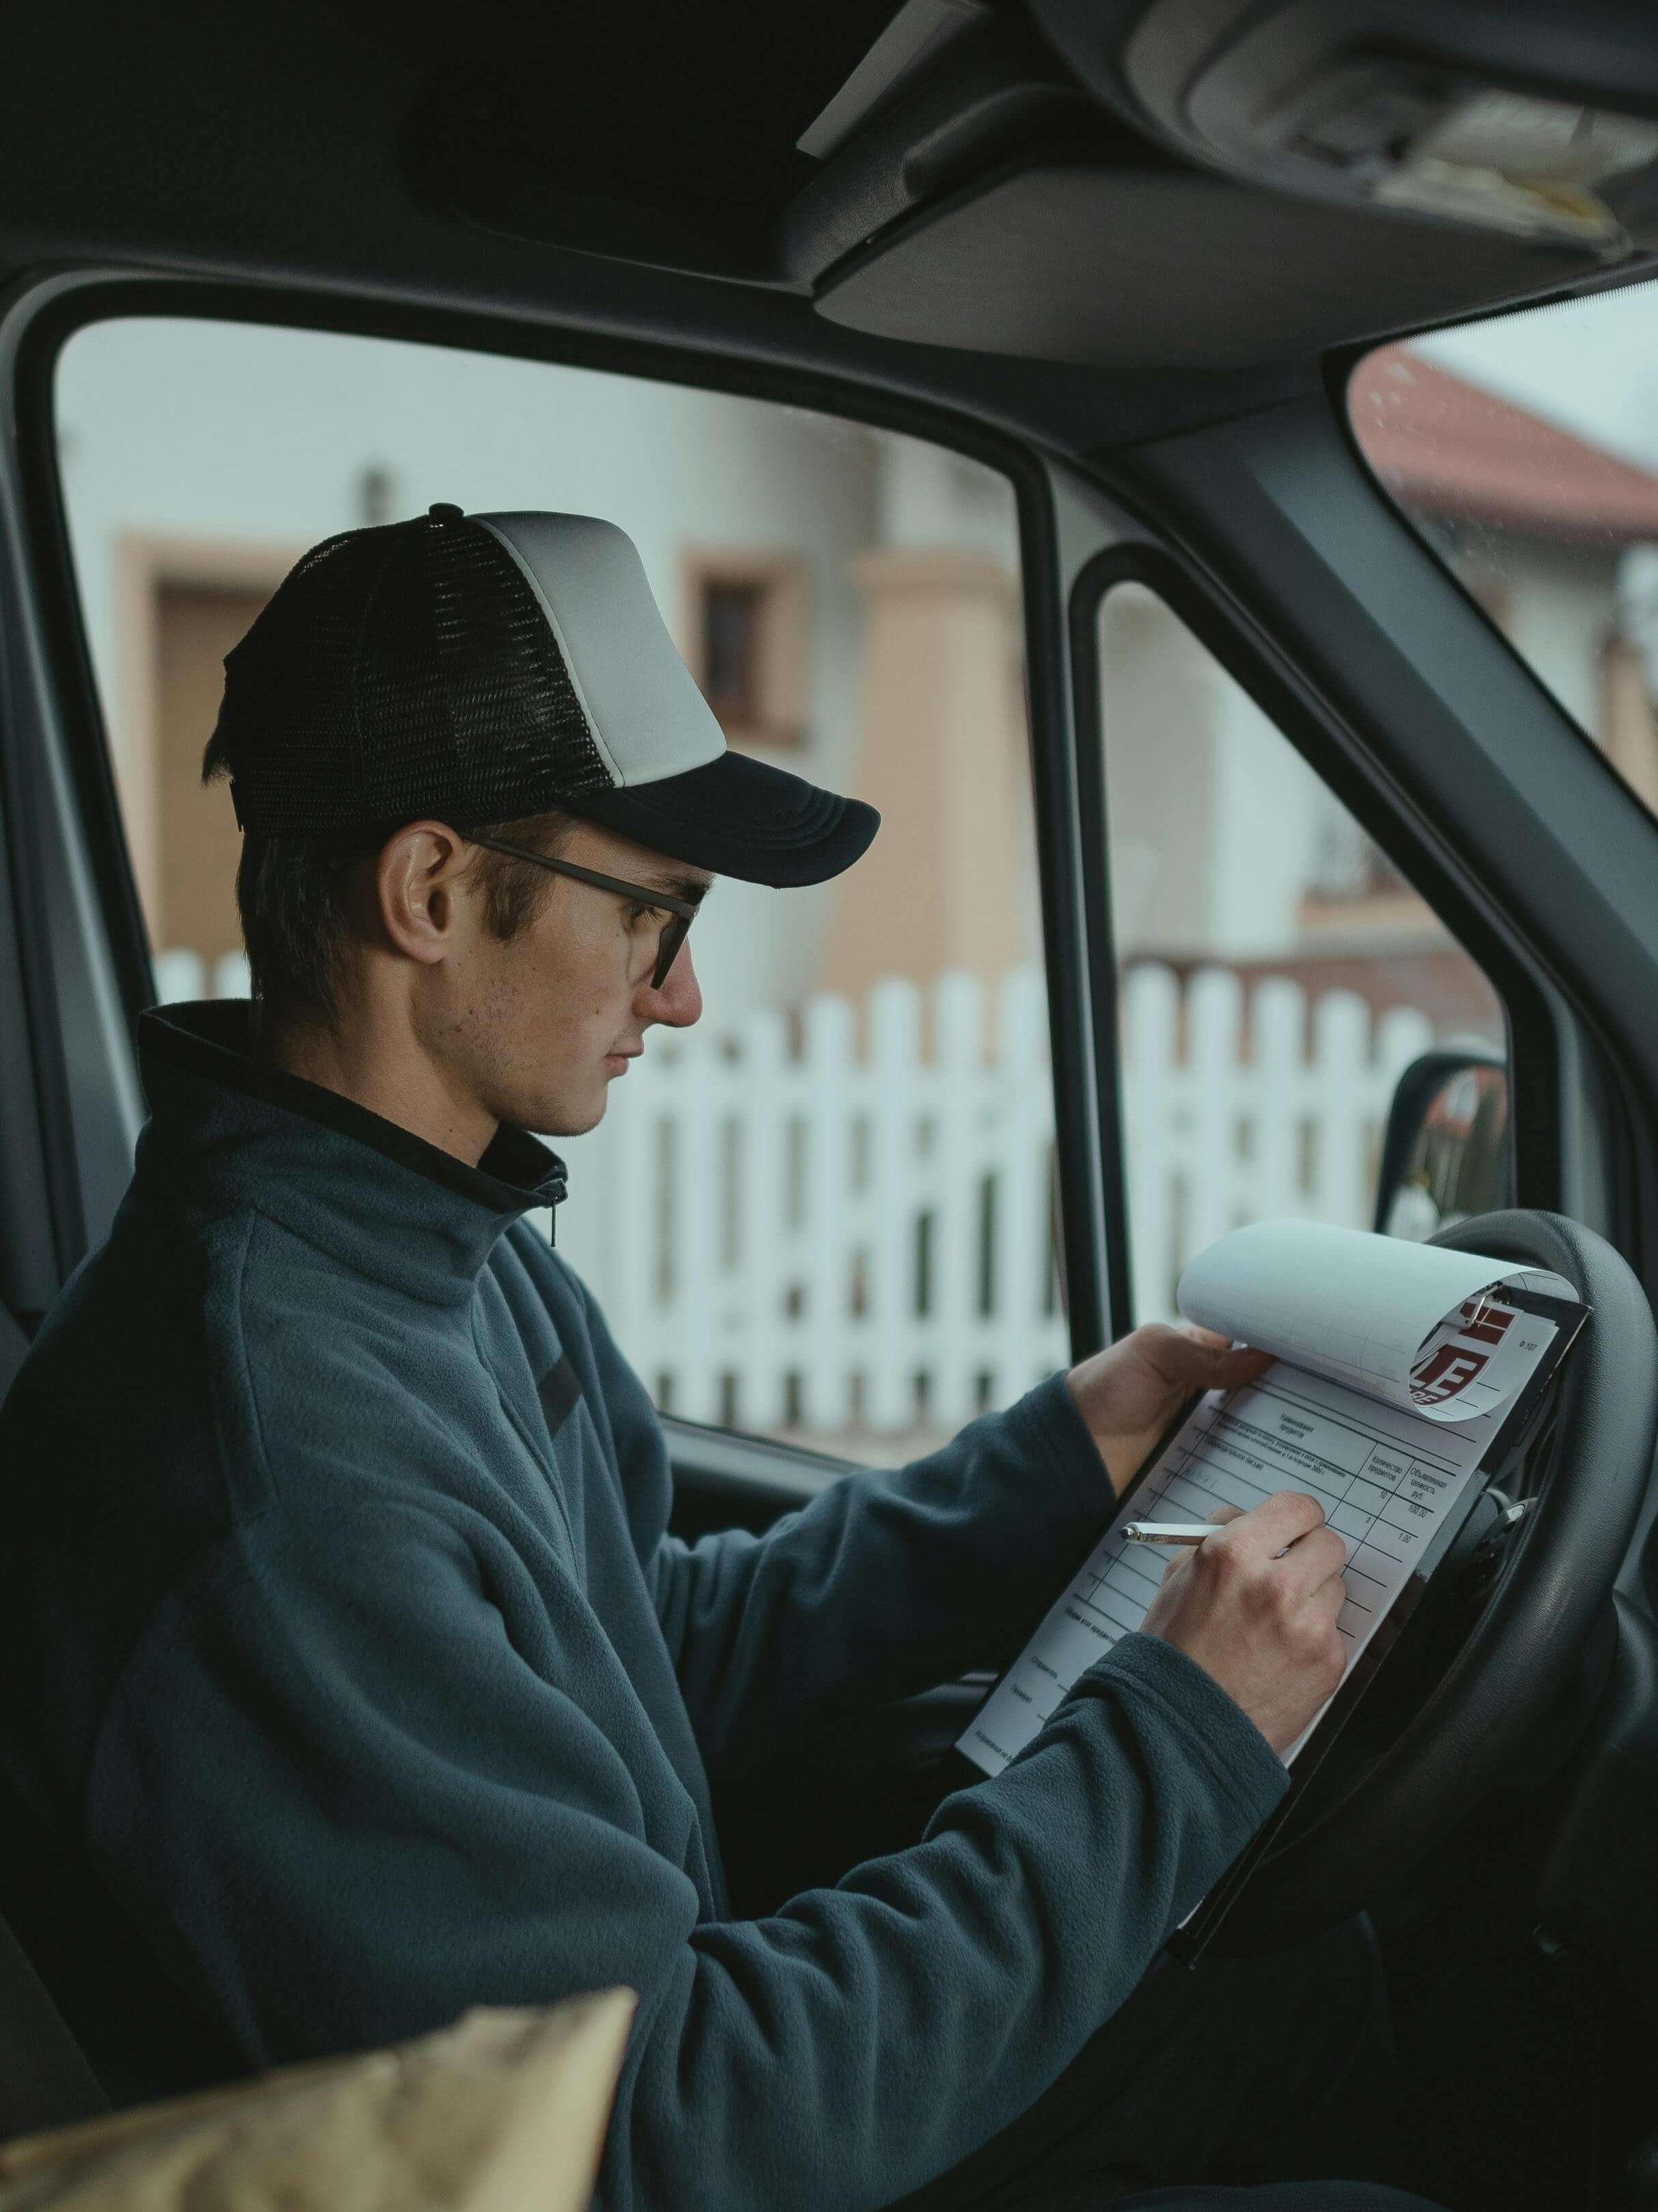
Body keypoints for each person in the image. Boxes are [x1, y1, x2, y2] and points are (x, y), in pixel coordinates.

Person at [0, 505, 1440, 2212]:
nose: (675, 1001)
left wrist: (1057, 1463)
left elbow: (638, 1660)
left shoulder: (430, 1255)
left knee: (1306, 1994)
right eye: (655, 917)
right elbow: (659, 2126)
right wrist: (1175, 1740)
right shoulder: (272, 1462)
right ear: (434, 891)